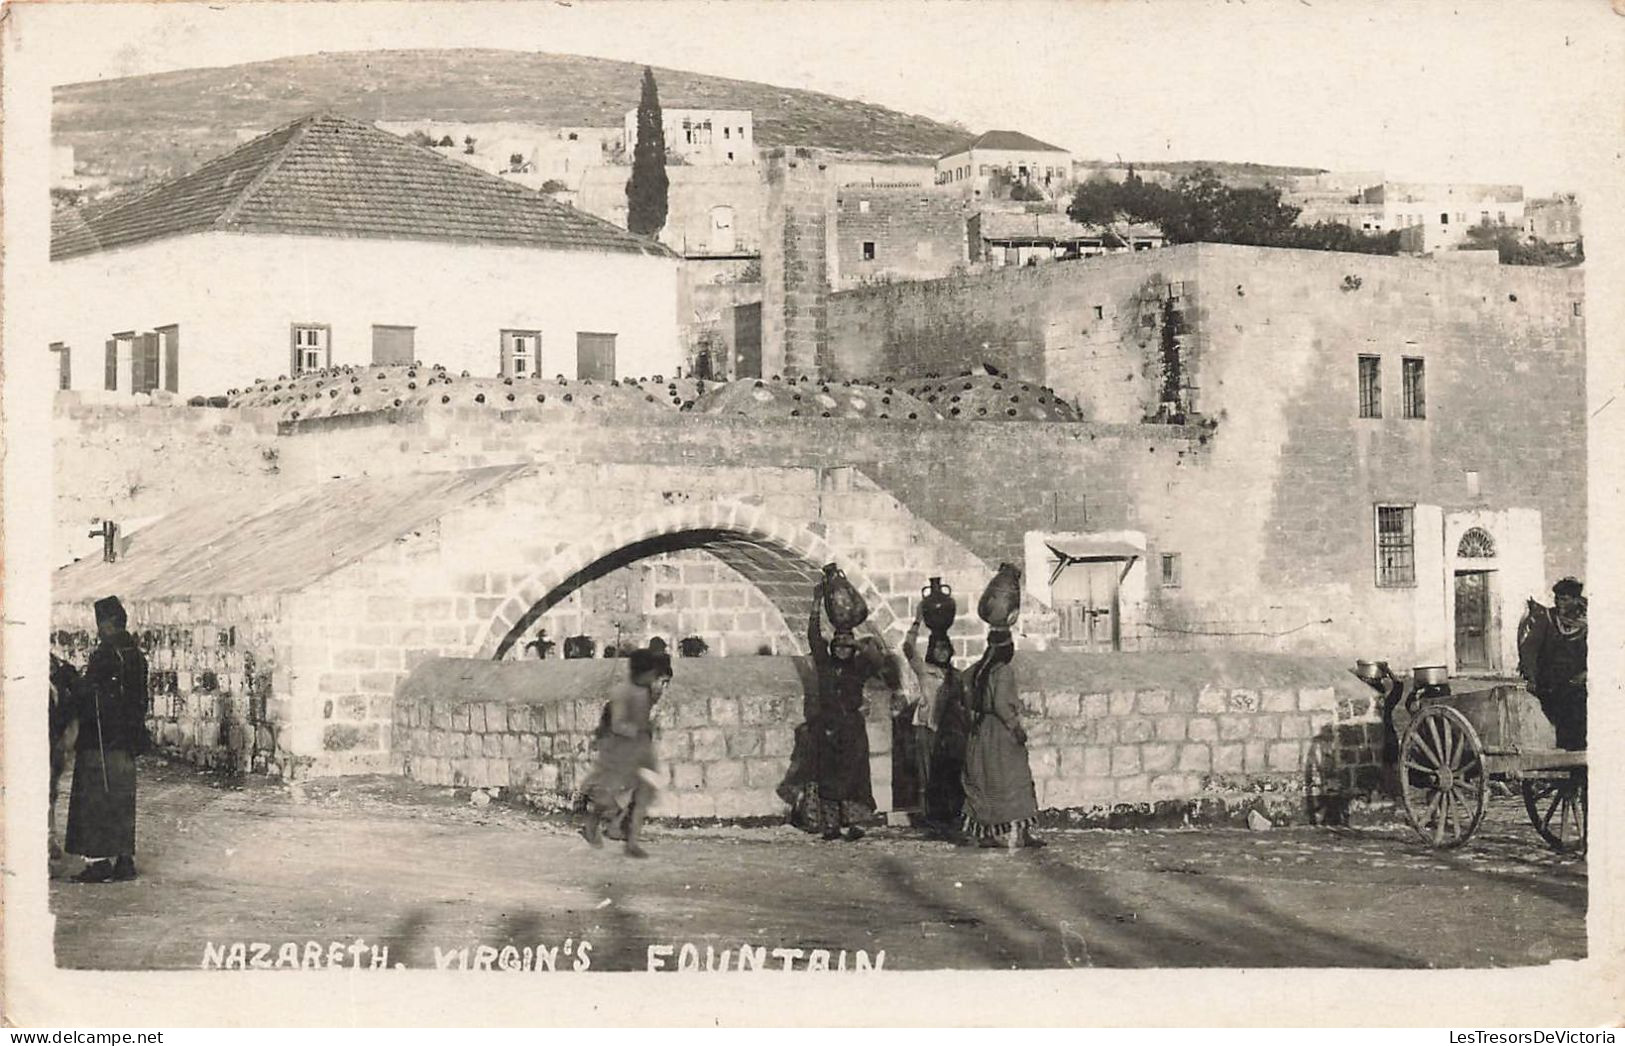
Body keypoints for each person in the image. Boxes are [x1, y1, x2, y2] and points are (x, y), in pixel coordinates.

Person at [65, 596, 149, 883]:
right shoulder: (137, 655)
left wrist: (68, 677)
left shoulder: (105, 654)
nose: (98, 629)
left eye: (100, 623)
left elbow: (88, 693)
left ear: (109, 623)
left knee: (94, 799)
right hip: (127, 740)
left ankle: (98, 863)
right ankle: (124, 860)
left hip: (99, 739)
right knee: (122, 799)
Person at [580, 648, 672, 858]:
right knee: (611, 797)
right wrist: (642, 728)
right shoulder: (621, 692)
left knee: (644, 793)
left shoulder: (646, 692)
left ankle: (631, 842)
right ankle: (593, 822)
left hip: (640, 748)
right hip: (620, 750)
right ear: (642, 672)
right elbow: (618, 725)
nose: (655, 678)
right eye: (652, 674)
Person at [806, 585, 876, 841]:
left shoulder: (858, 668)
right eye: (839, 647)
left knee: (854, 775)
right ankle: (831, 825)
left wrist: (857, 642)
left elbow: (877, 656)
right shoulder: (825, 666)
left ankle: (854, 824)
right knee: (828, 776)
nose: (842, 651)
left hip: (852, 728)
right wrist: (815, 606)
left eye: (847, 648)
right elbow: (813, 638)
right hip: (828, 728)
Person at [961, 629, 1042, 849]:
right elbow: (1000, 704)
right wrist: (1015, 727)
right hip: (1000, 733)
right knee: (1016, 781)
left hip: (981, 731)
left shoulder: (978, 670)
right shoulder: (1004, 671)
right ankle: (1022, 834)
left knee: (984, 782)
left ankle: (985, 834)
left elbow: (964, 685)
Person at [901, 608, 968, 838]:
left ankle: (948, 816)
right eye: (938, 648)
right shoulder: (925, 670)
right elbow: (908, 649)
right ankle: (928, 817)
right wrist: (917, 621)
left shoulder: (957, 676)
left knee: (949, 774)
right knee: (926, 773)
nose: (942, 652)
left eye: (945, 648)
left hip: (948, 731)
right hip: (926, 726)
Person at [1518, 577, 1588, 750]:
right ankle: (1566, 756)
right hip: (1550, 684)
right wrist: (1531, 677)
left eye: (1564, 599)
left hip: (1580, 683)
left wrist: (1586, 674)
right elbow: (1529, 650)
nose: (1559, 603)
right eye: (1557, 598)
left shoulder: (1588, 624)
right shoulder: (1546, 619)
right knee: (1563, 716)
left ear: (1576, 600)